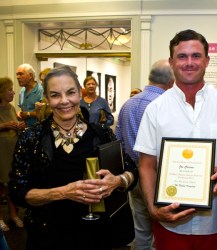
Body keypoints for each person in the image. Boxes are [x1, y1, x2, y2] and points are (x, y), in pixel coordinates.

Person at [134, 29, 217, 250]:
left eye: (196, 56)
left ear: (207, 61)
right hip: (170, 223)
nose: (189, 62)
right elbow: (146, 166)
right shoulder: (155, 109)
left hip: (216, 221)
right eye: (182, 56)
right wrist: (153, 209)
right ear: (171, 62)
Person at [8, 66, 138, 250]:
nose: (64, 101)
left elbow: (132, 169)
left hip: (97, 235)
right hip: (49, 235)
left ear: (79, 93)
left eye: (71, 92)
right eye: (55, 95)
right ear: (45, 98)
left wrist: (117, 181)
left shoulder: (101, 134)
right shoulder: (31, 138)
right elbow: (17, 191)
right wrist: (64, 192)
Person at [116, 59, 174, 250]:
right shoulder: (164, 106)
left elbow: (119, 141)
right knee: (163, 228)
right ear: (171, 81)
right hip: (158, 176)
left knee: (140, 227)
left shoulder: (127, 104)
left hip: (133, 175)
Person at [0, 77, 26, 231]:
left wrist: (19, 125)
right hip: (1, 151)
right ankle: (0, 218)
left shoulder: (10, 107)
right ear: (1, 92)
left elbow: (14, 125)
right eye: (10, 89)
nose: (13, 92)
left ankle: (13, 214)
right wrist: (3, 125)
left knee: (11, 184)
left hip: (12, 150)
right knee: (0, 186)